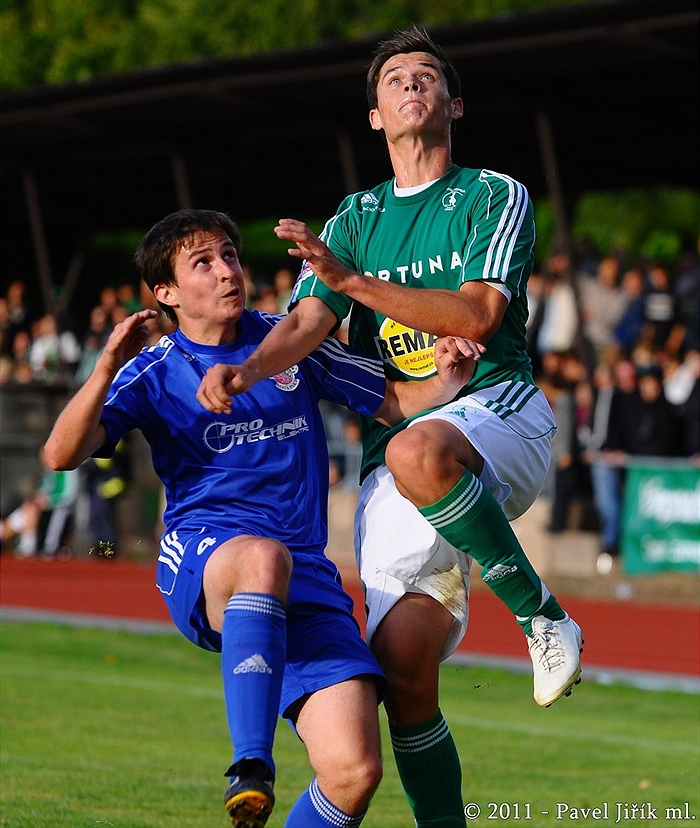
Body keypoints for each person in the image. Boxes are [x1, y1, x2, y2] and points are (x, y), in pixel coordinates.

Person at [198, 26, 584, 828]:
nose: (412, 86)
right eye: (396, 79)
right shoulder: (353, 216)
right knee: (401, 667)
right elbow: (309, 318)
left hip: (495, 411)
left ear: (453, 103)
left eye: (427, 77)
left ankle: (542, 614)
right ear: (375, 114)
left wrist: (356, 283)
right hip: (396, 466)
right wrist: (248, 368)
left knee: (419, 445)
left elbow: (478, 312)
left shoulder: (492, 194)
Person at [42, 209, 482, 828]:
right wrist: (103, 370)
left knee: (354, 772)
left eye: (230, 256)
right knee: (260, 556)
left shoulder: (291, 341)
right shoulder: (152, 369)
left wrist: (445, 382)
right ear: (165, 293)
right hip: (205, 555)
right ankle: (251, 767)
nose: (227, 272)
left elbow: (393, 402)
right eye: (204, 263)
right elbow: (60, 454)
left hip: (305, 575)